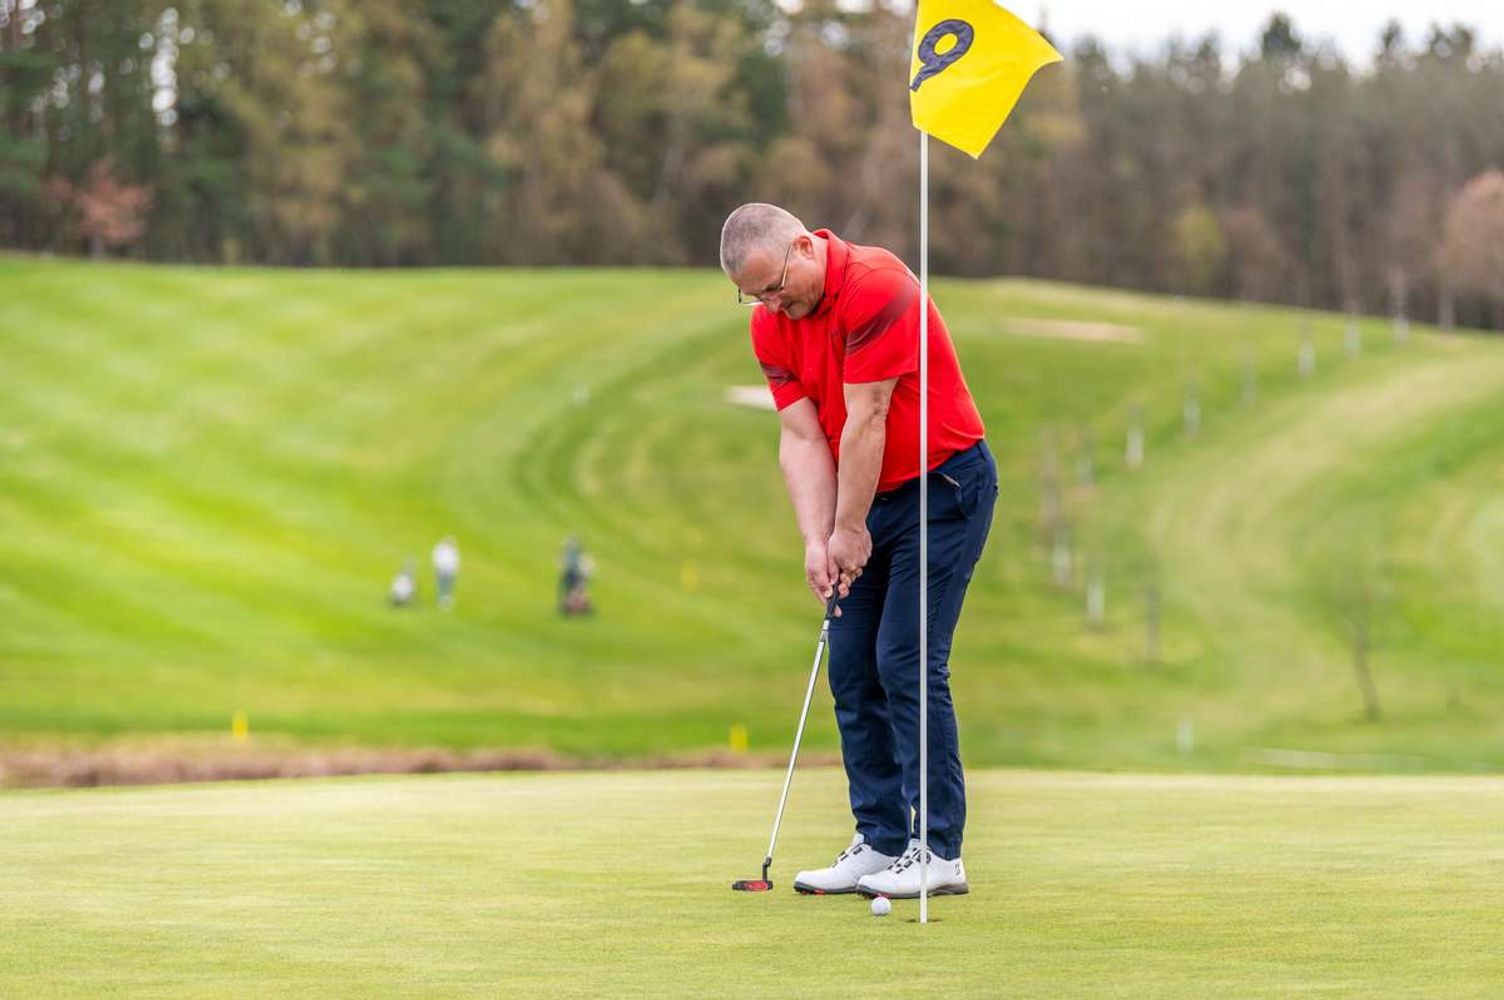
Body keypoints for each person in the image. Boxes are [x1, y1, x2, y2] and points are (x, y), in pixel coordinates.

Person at [720, 203, 997, 899]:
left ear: (804, 248)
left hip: (944, 487)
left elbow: (867, 418)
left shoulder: (877, 285)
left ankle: (940, 851)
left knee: (905, 658)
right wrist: (817, 538)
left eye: (775, 287)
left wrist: (849, 530)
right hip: (868, 496)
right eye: (754, 297)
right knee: (850, 666)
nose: (771, 306)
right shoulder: (770, 324)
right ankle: (881, 839)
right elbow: (803, 436)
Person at [557, 535, 595, 617]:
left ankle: (575, 606)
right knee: (575, 591)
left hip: (576, 575)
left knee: (577, 591)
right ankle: (573, 605)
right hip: (573, 575)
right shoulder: (571, 556)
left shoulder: (579, 557)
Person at [432, 536, 460, 611]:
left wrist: (454, 570)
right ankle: (441, 600)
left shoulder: (453, 550)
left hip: (450, 571)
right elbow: (436, 558)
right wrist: (437, 567)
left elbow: (455, 561)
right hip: (441, 570)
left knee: (448, 587)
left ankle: (447, 601)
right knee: (441, 586)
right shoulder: (440, 549)